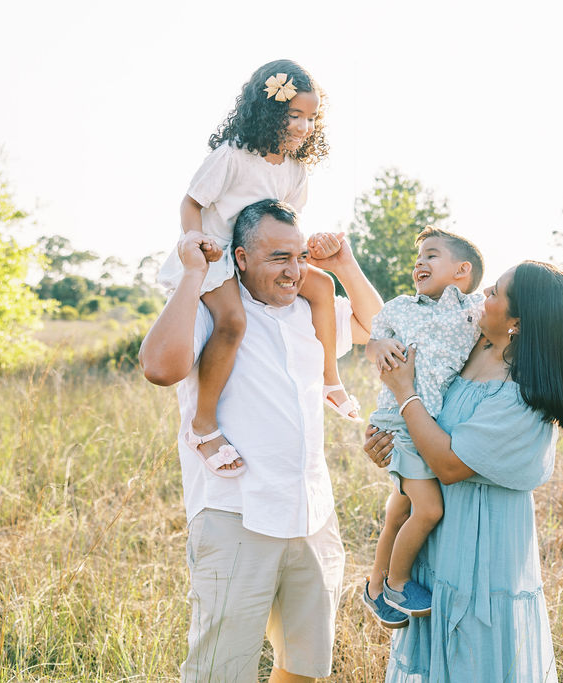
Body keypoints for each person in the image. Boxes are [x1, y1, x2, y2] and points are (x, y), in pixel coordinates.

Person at [140, 198, 382, 683]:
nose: (294, 272)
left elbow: (378, 328)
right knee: (219, 673)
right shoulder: (216, 313)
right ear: (241, 258)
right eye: (278, 258)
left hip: (311, 514)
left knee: (305, 667)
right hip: (236, 513)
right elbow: (160, 368)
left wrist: (344, 264)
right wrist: (192, 274)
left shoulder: (310, 312)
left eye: (298, 257)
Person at [364, 261, 563, 682]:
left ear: (518, 323)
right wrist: (387, 440)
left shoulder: (523, 397)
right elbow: (401, 321)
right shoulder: (472, 343)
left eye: (495, 293)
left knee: (476, 661)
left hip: (481, 551)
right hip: (436, 533)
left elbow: (449, 464)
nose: (482, 295)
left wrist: (404, 394)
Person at [156, 59, 358, 480]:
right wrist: (194, 240)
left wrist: (309, 251)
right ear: (267, 112)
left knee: (320, 287)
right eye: (294, 115)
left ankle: (329, 380)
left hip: (260, 259)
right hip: (217, 255)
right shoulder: (231, 156)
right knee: (231, 322)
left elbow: (286, 222)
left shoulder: (296, 169)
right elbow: (190, 203)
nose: (303, 126)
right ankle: (203, 423)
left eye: (311, 118)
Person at [360, 227, 485, 628]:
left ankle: (374, 586)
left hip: (428, 421)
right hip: (400, 418)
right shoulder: (400, 307)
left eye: (432, 256)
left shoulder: (474, 310)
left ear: (462, 270)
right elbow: (373, 339)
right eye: (418, 258)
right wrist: (375, 347)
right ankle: (396, 583)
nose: (419, 263)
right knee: (427, 509)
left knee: (400, 507)